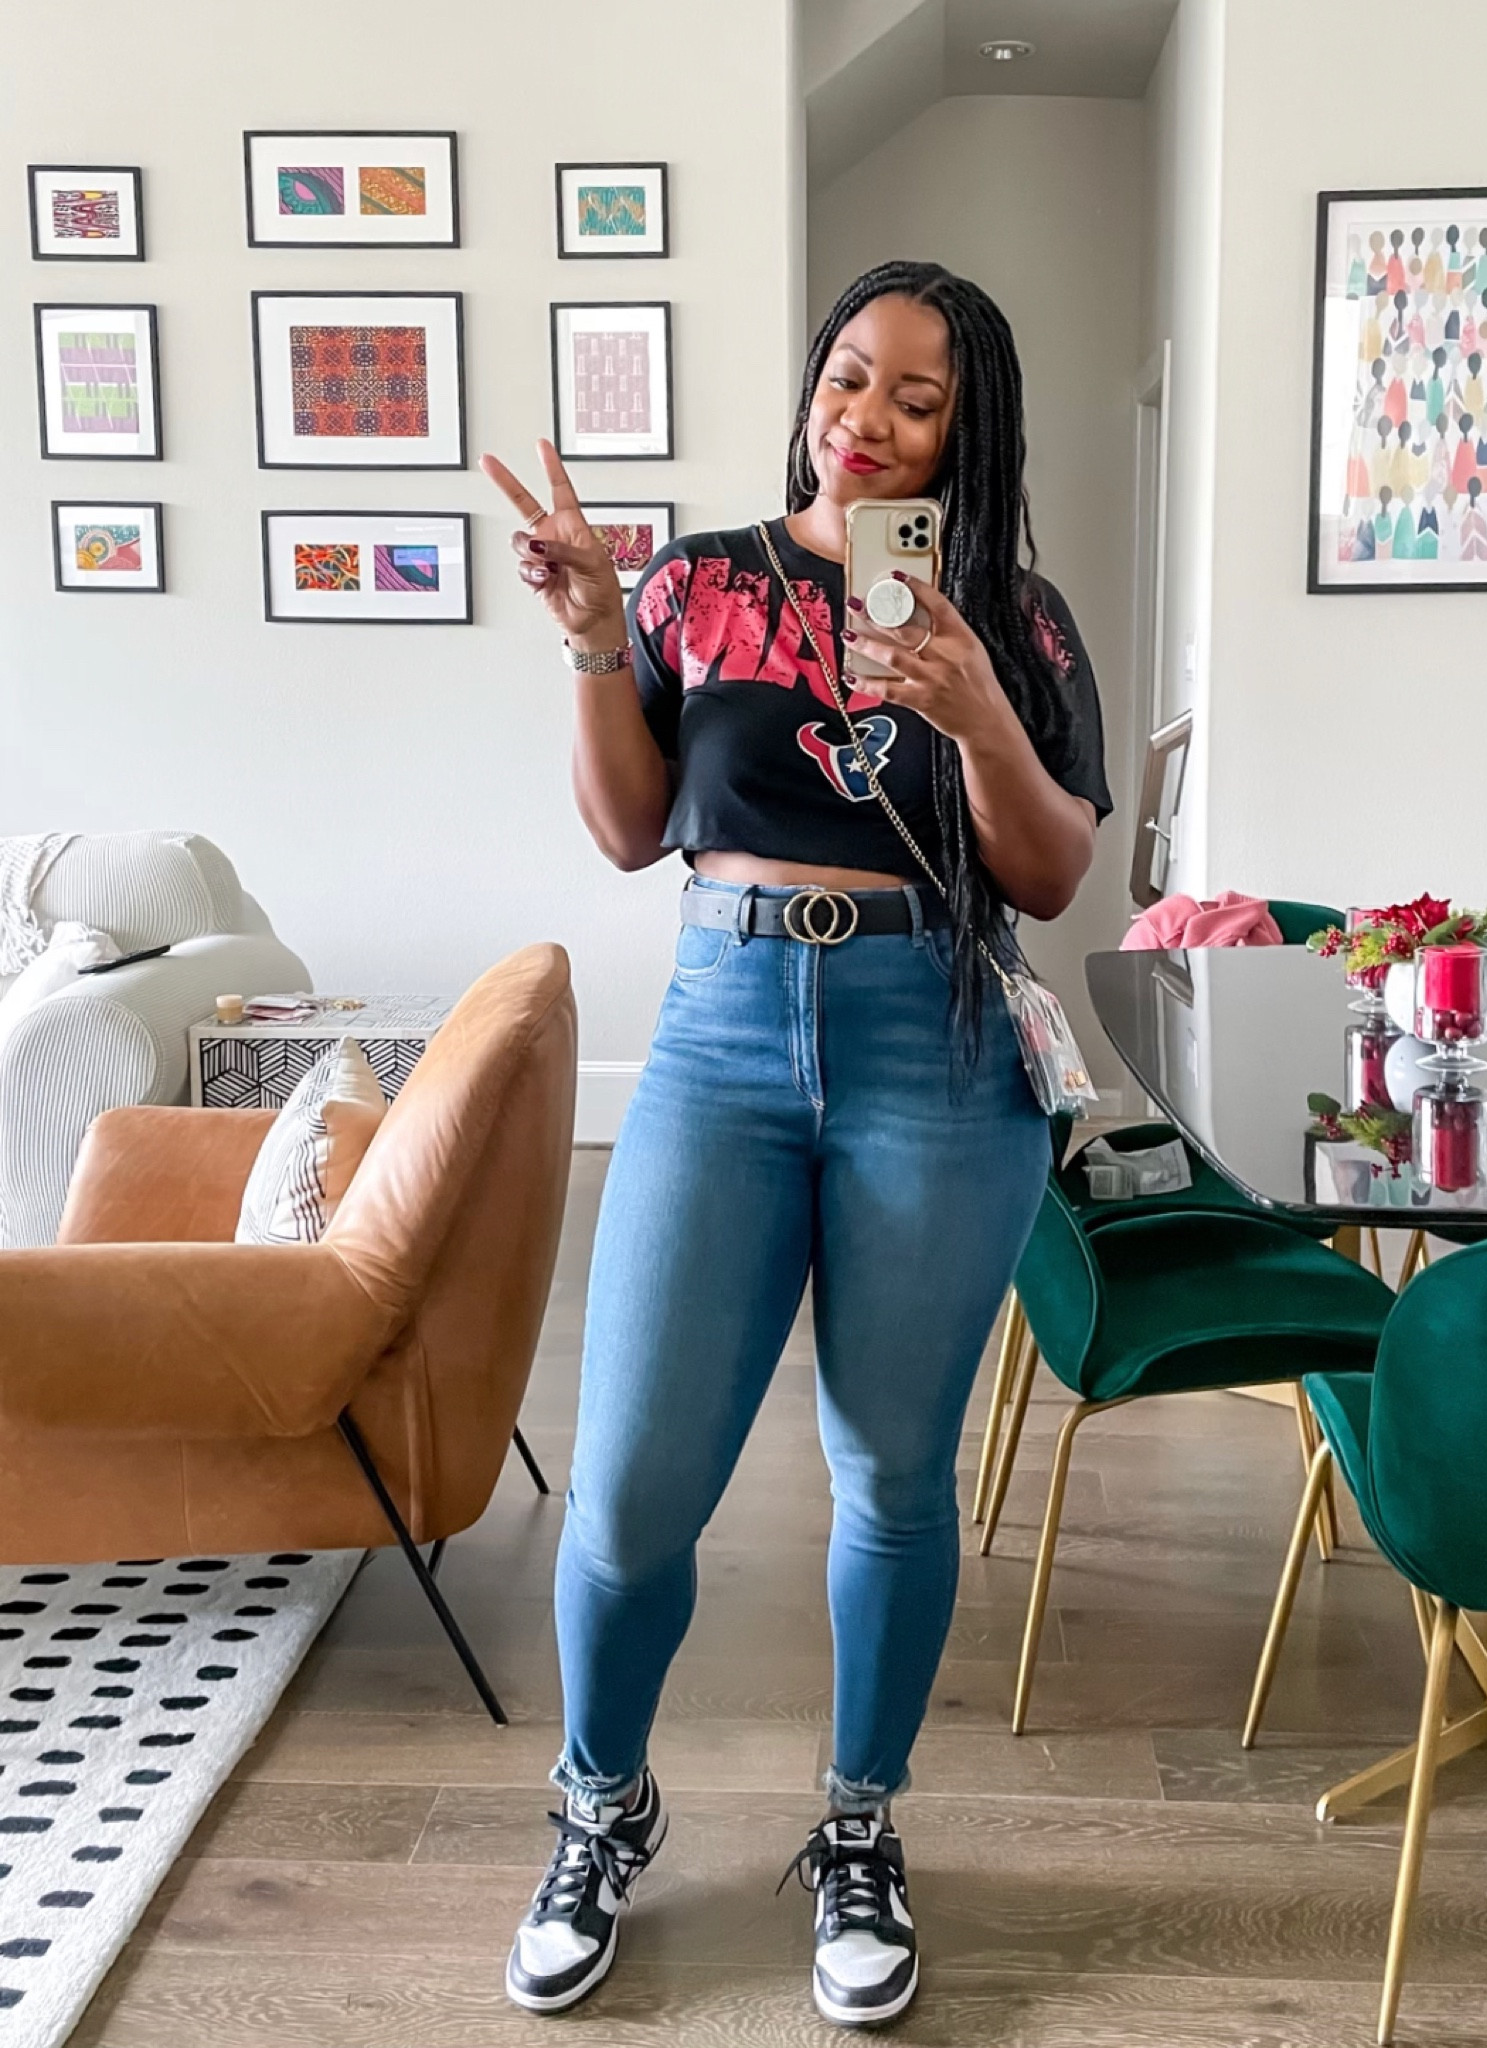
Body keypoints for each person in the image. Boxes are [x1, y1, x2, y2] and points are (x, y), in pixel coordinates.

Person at [480, 259, 1111, 2026]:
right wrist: (599, 633)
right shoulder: (696, 580)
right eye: (851, 378)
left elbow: (1053, 874)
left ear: (962, 434)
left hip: (936, 1047)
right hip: (721, 1035)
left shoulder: (1018, 617)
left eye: (917, 399)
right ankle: (600, 1800)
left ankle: (857, 1827)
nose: (869, 419)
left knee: (892, 1480)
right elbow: (624, 833)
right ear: (812, 385)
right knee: (626, 1497)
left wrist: (974, 707)